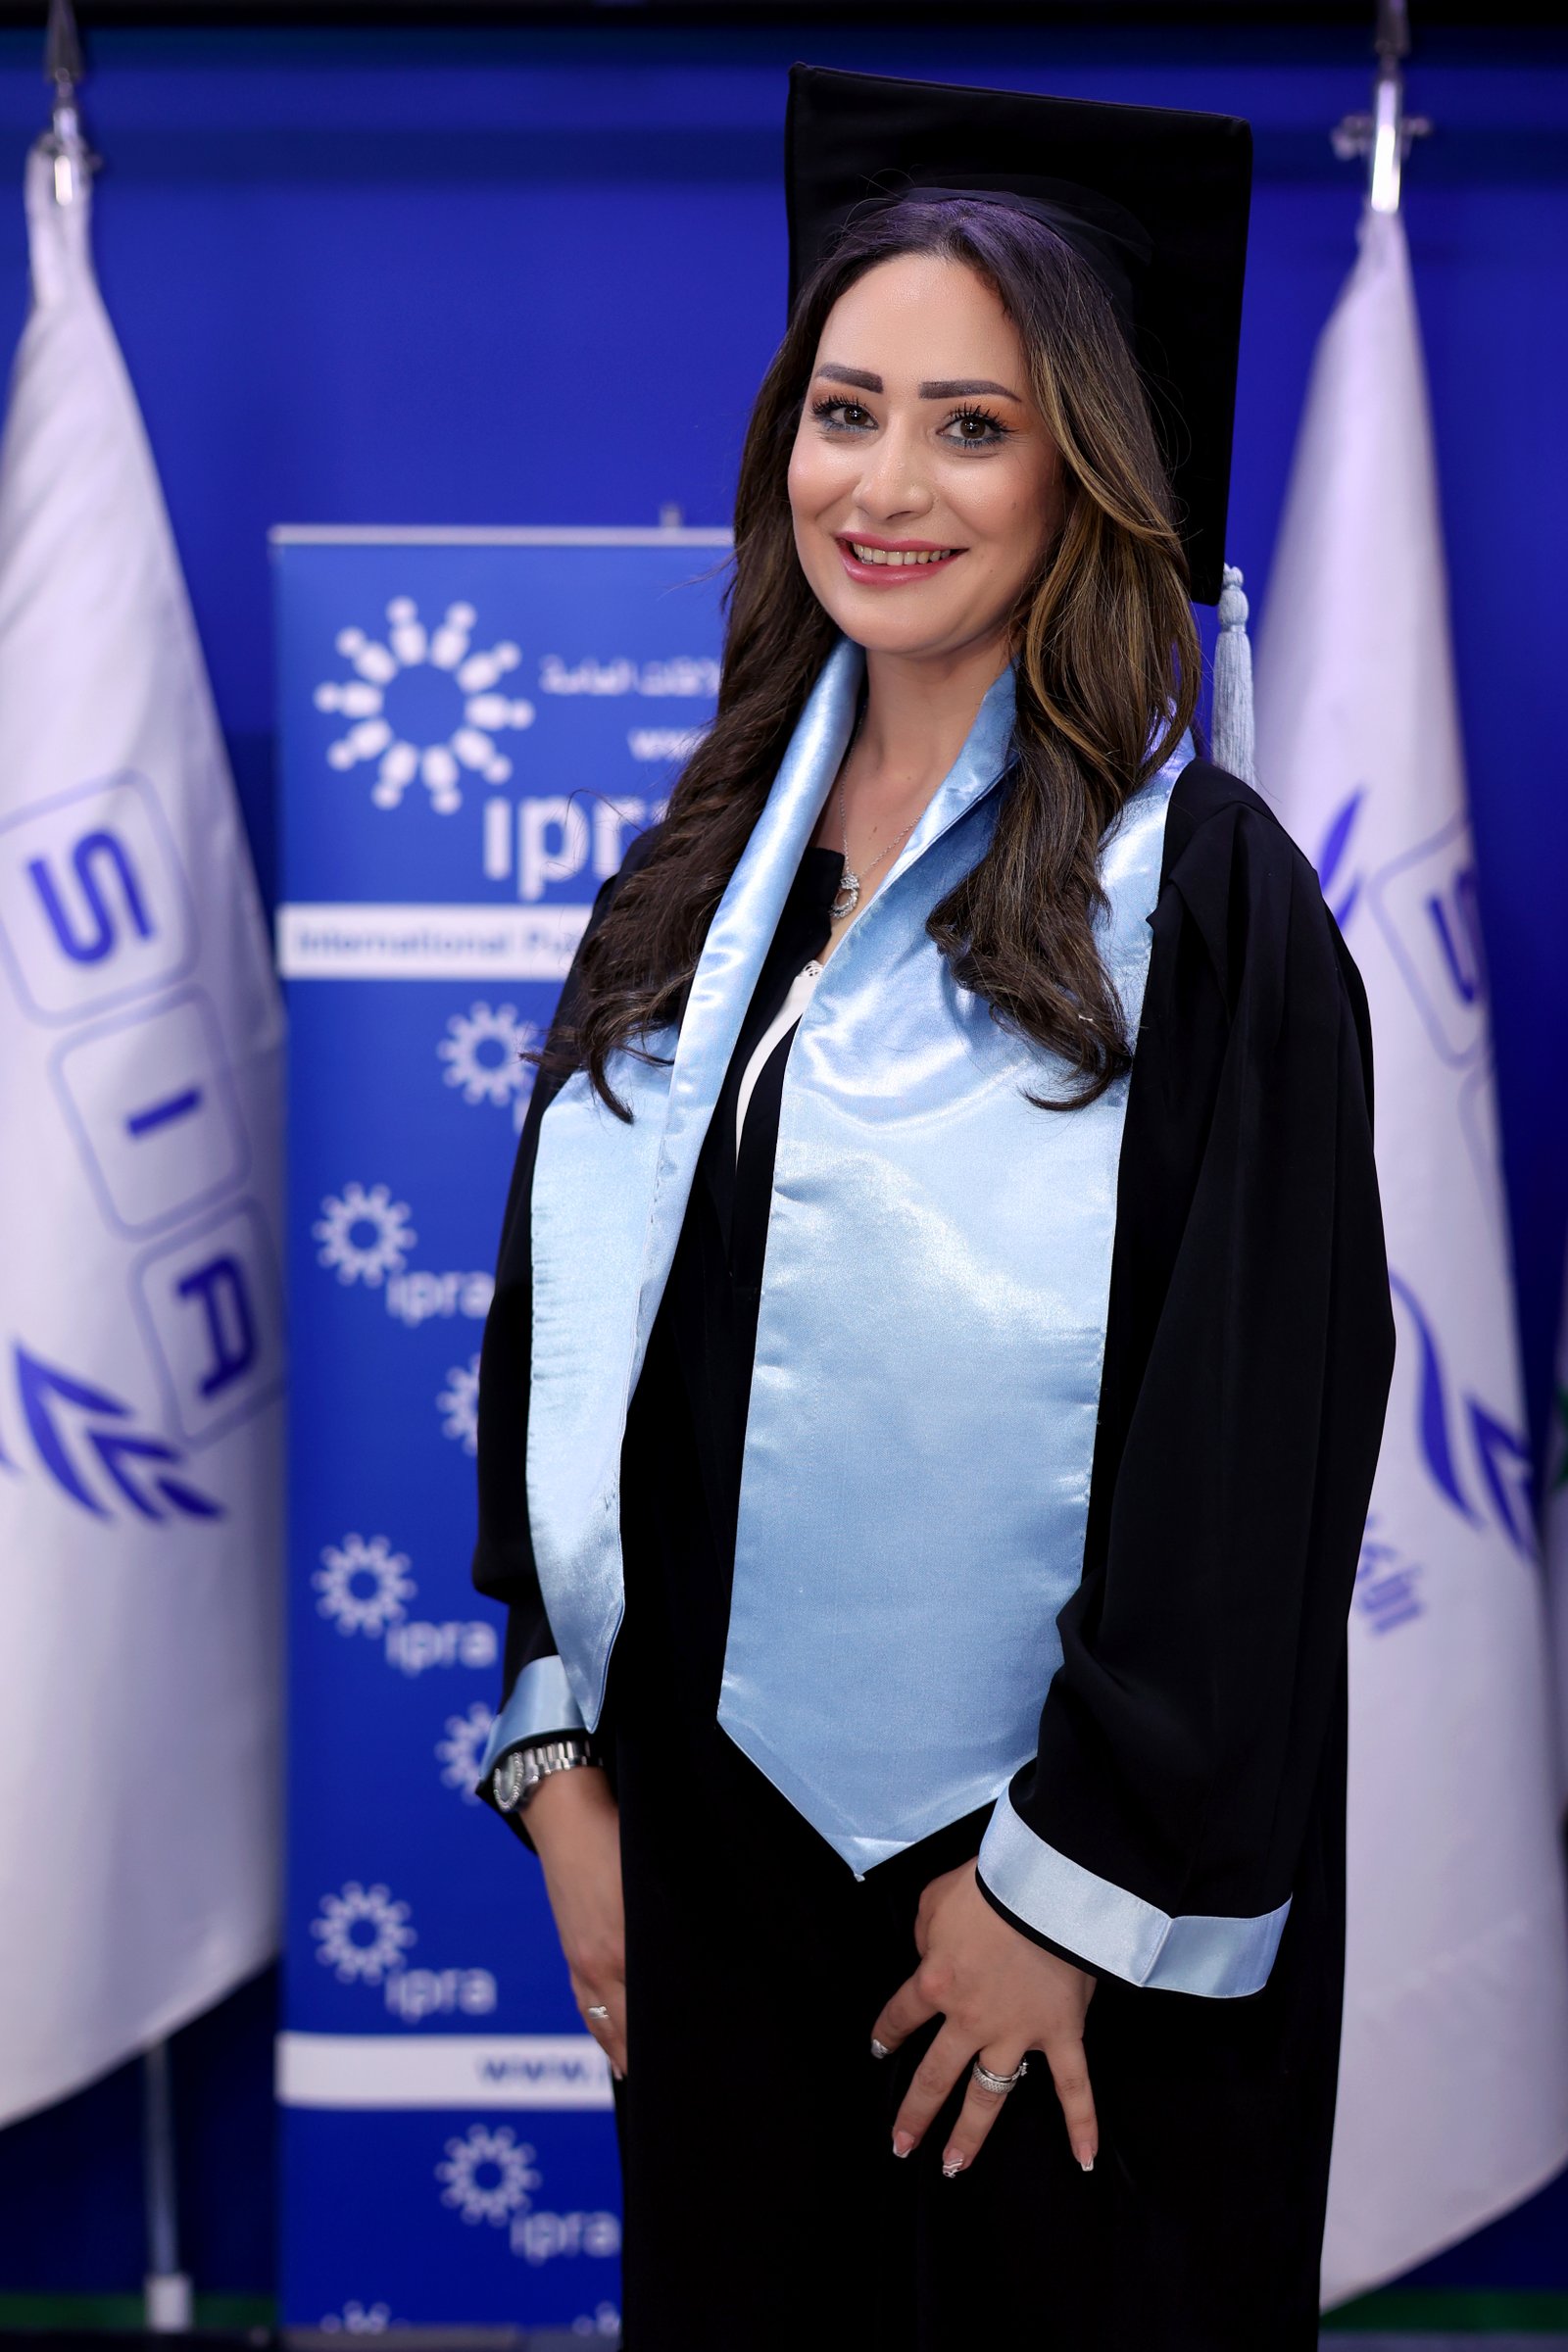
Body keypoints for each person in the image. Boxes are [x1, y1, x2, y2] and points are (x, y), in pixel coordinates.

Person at [469, 64, 1395, 2352]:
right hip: (709, 1874)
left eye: (970, 429)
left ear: (1086, 473)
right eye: (843, 411)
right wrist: (563, 1761)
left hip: (1044, 1927)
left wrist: (1069, 1889)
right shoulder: (698, 880)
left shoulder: (1200, 903)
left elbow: (1252, 1441)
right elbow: (571, 1349)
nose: (880, 488)